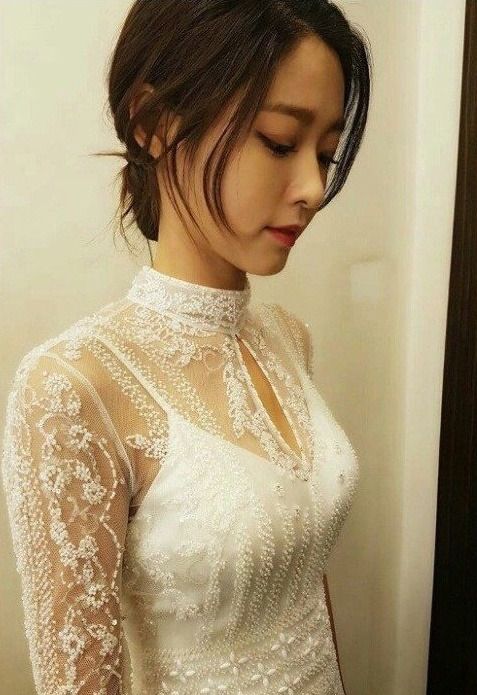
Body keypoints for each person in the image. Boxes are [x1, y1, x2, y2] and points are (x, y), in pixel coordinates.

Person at [1, 1, 372, 693]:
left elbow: (305, 588)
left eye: (325, 154)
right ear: (154, 122)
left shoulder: (288, 339)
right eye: (279, 142)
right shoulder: (75, 387)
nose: (314, 189)